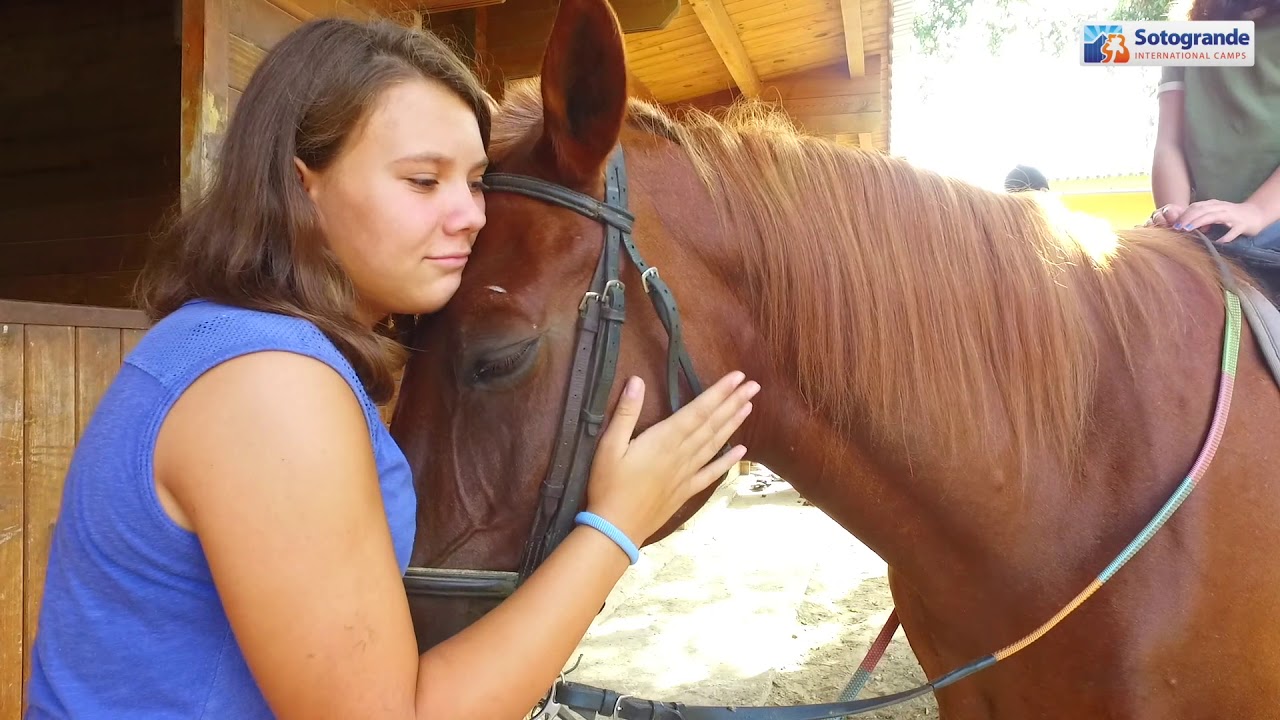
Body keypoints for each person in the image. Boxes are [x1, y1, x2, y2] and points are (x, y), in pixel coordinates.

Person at [23, 17, 756, 720]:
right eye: (423, 180)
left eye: (475, 181)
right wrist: (617, 524)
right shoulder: (267, 384)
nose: (472, 214)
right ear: (302, 186)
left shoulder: (229, 343)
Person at [1148, 0, 1280, 255]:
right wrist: (1176, 215)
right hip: (1205, 228)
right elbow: (1169, 143)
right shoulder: (1186, 36)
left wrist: (1256, 211)